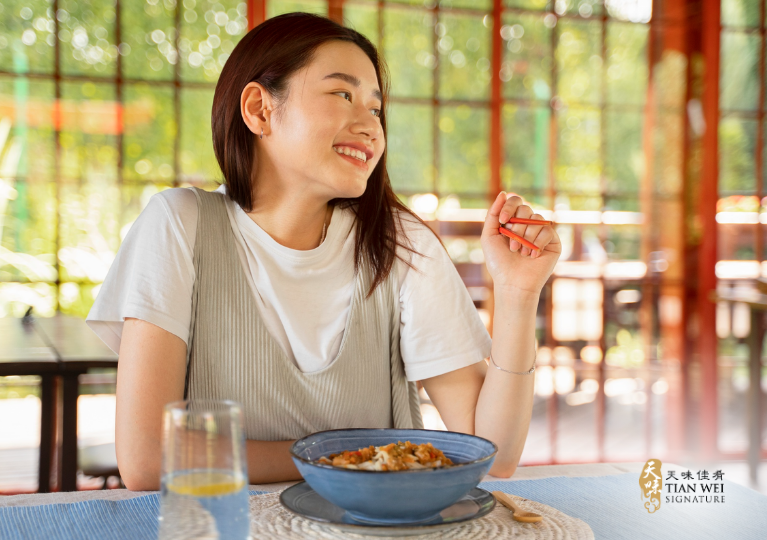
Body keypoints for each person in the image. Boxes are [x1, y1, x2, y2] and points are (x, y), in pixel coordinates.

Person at [86, 12, 561, 490]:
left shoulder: (401, 245)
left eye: (376, 110)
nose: (371, 127)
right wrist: (359, 458)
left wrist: (519, 295)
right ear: (259, 110)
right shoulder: (179, 224)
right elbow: (148, 459)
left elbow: (491, 452)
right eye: (342, 94)